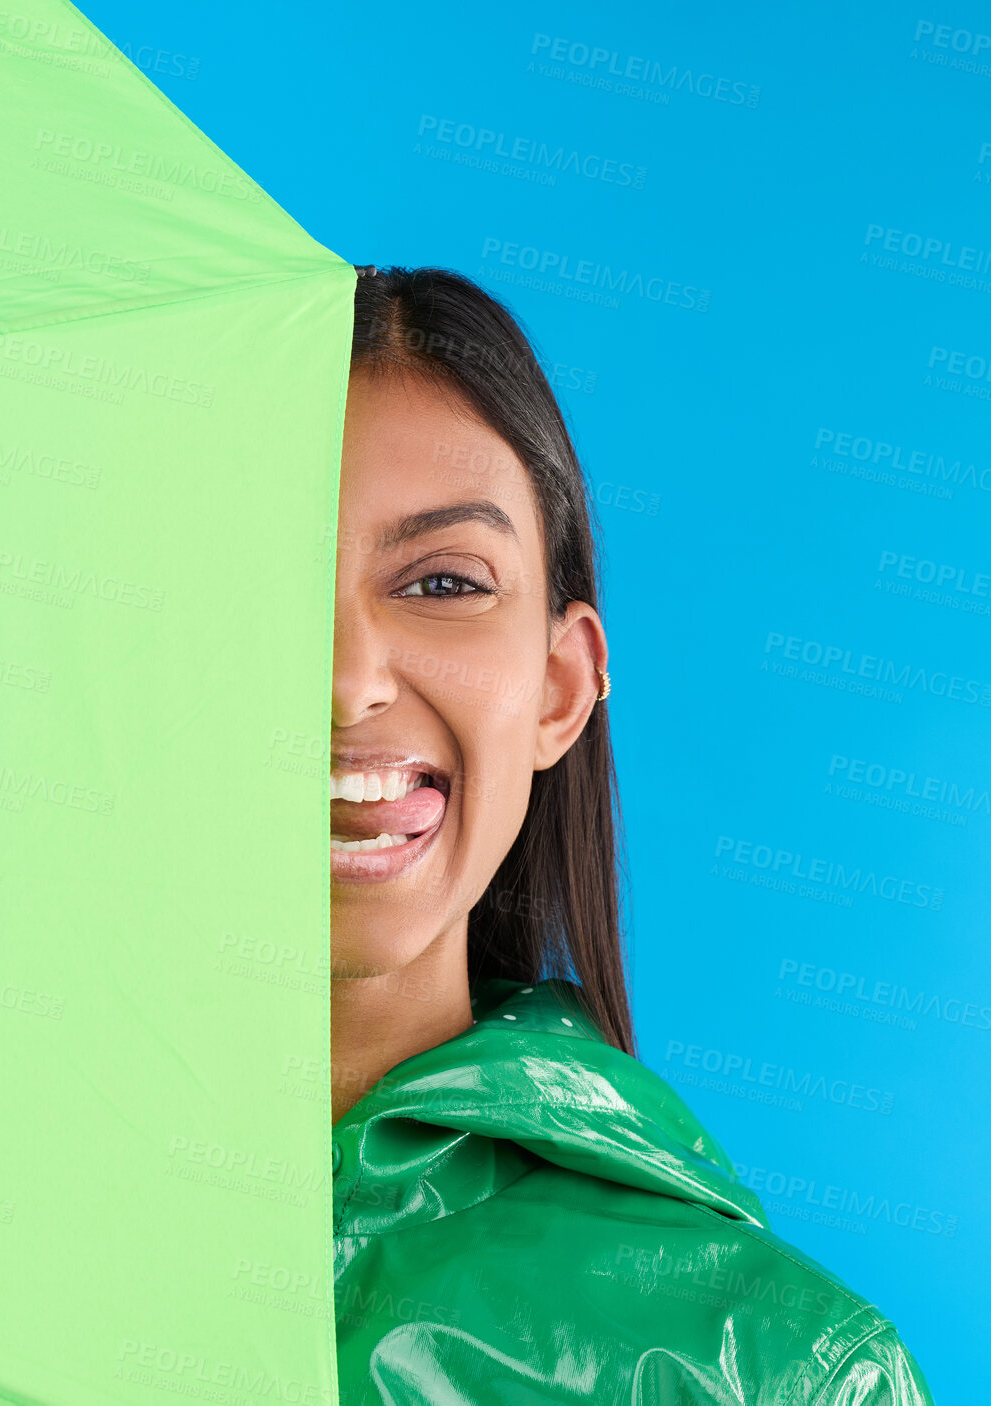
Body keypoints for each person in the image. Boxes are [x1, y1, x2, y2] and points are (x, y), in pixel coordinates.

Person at [328, 265, 935, 1404]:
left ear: (561, 687)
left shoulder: (778, 1371)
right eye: (261, 573)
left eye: (445, 580)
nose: (347, 679)